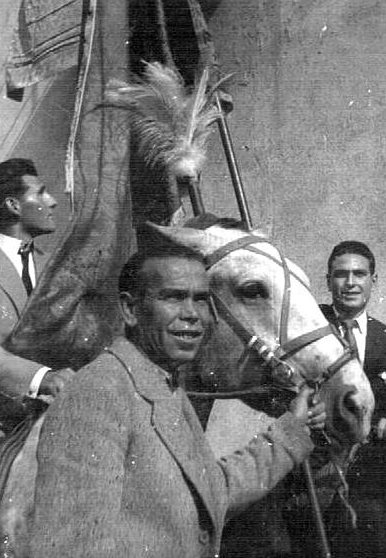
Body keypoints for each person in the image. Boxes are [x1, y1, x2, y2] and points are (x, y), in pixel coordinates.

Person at [31, 234, 326, 558]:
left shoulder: (165, 388)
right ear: (130, 309)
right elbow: (73, 548)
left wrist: (291, 432)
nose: (193, 314)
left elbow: (211, 492)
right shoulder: (96, 395)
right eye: (173, 298)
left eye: (201, 299)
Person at [319, 239, 386, 558]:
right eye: (340, 274)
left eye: (359, 274)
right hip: (313, 467)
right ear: (328, 280)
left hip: (373, 476)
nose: (350, 283)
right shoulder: (306, 328)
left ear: (373, 281)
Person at [0, 158, 73, 471]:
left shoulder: (56, 268)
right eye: (42, 193)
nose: (53, 201)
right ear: (13, 205)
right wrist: (43, 378)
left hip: (49, 408)